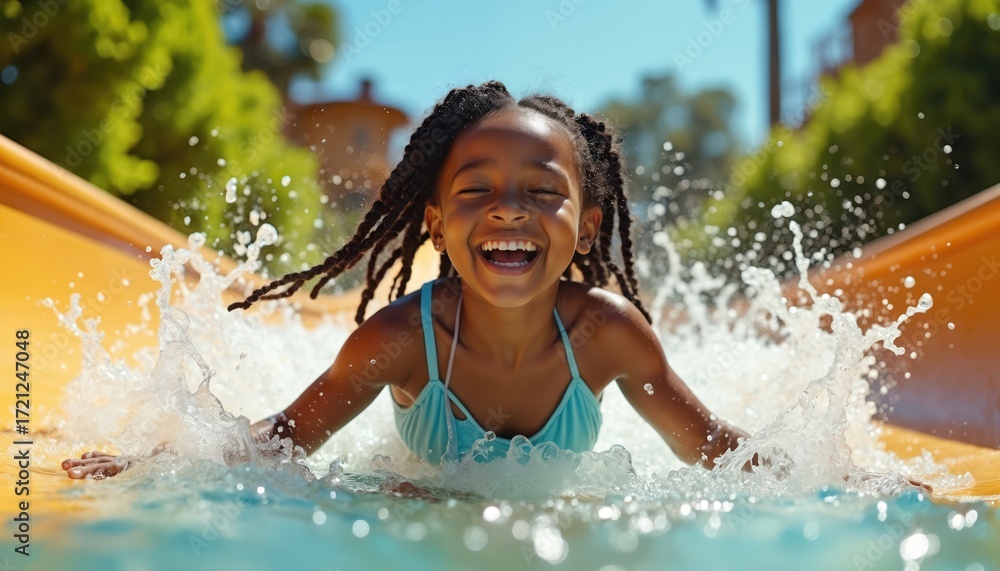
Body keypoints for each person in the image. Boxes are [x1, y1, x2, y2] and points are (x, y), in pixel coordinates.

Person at [62, 81, 750, 480]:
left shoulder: (608, 335)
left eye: (543, 192)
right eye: (476, 189)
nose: (509, 207)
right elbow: (281, 440)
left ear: (589, 226)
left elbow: (715, 451)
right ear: (437, 222)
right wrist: (159, 464)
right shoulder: (400, 340)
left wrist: (832, 474)